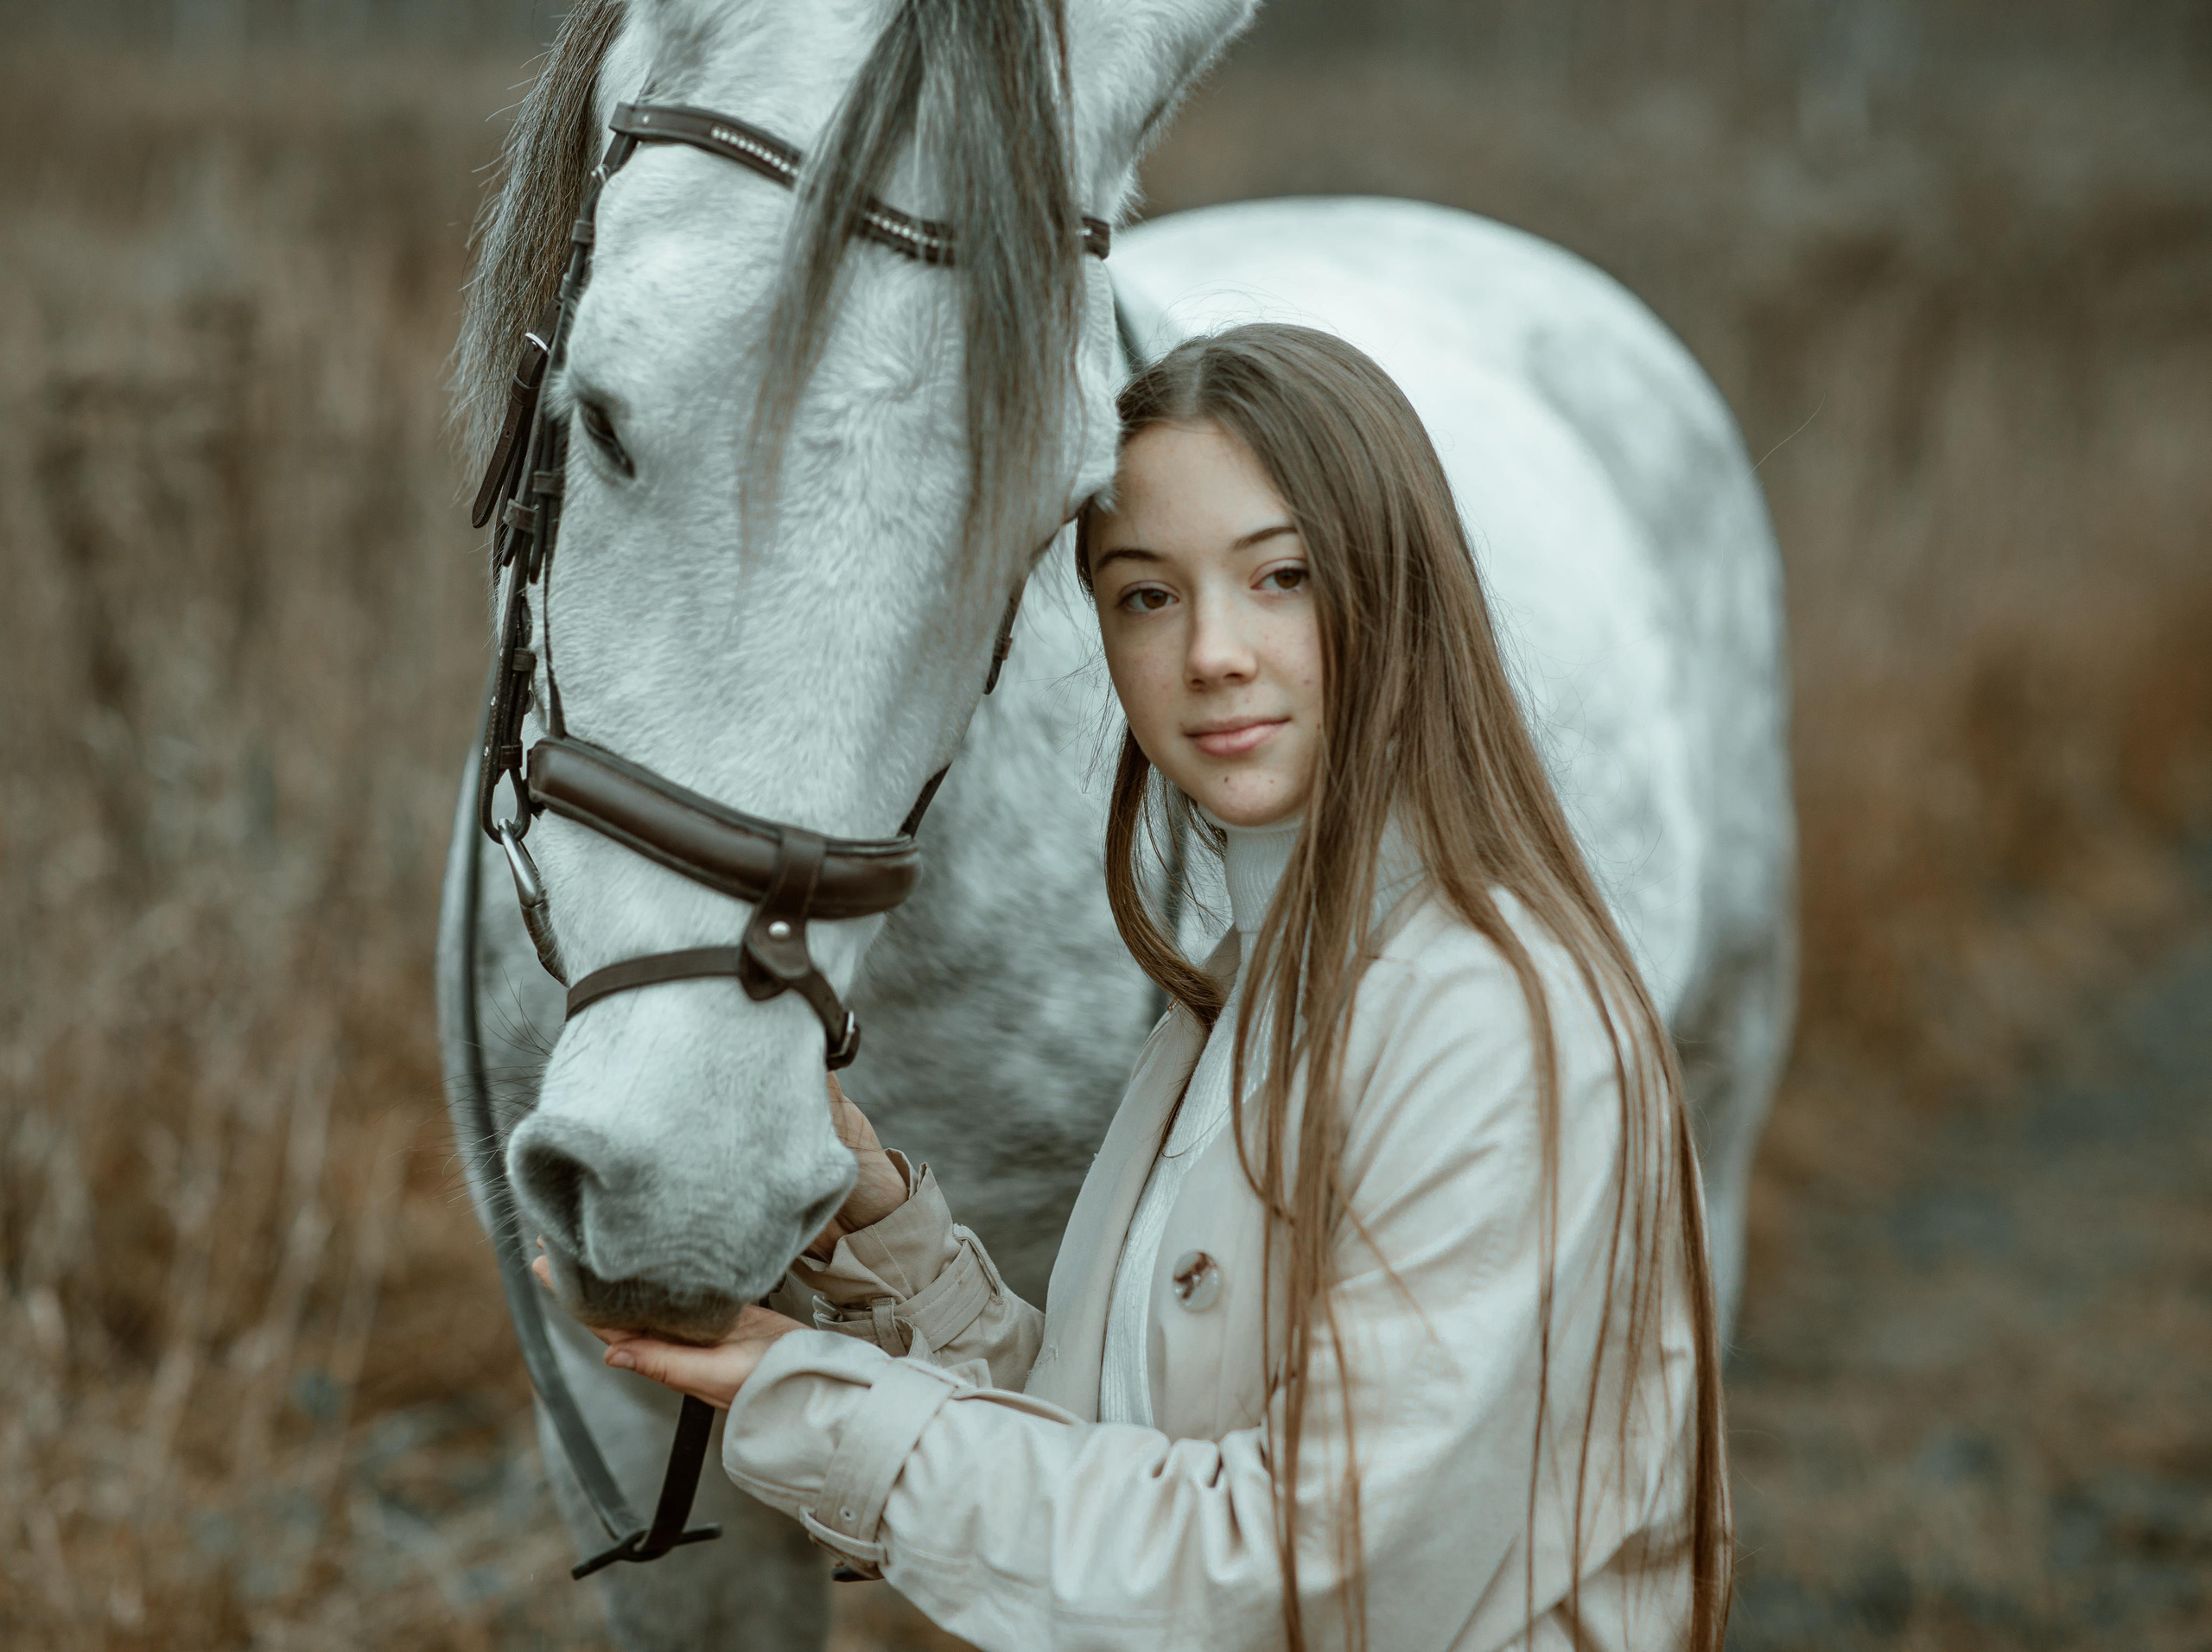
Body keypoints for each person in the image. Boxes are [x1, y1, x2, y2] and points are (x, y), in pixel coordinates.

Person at [534, 323, 1732, 1650]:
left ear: (1399, 588)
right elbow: (1127, 1447)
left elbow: (1301, 1578)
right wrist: (888, 1247)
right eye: (1145, 595)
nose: (1212, 650)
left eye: (1282, 576)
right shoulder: (1249, 982)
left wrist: (820, 1410)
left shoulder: (1494, 1016)